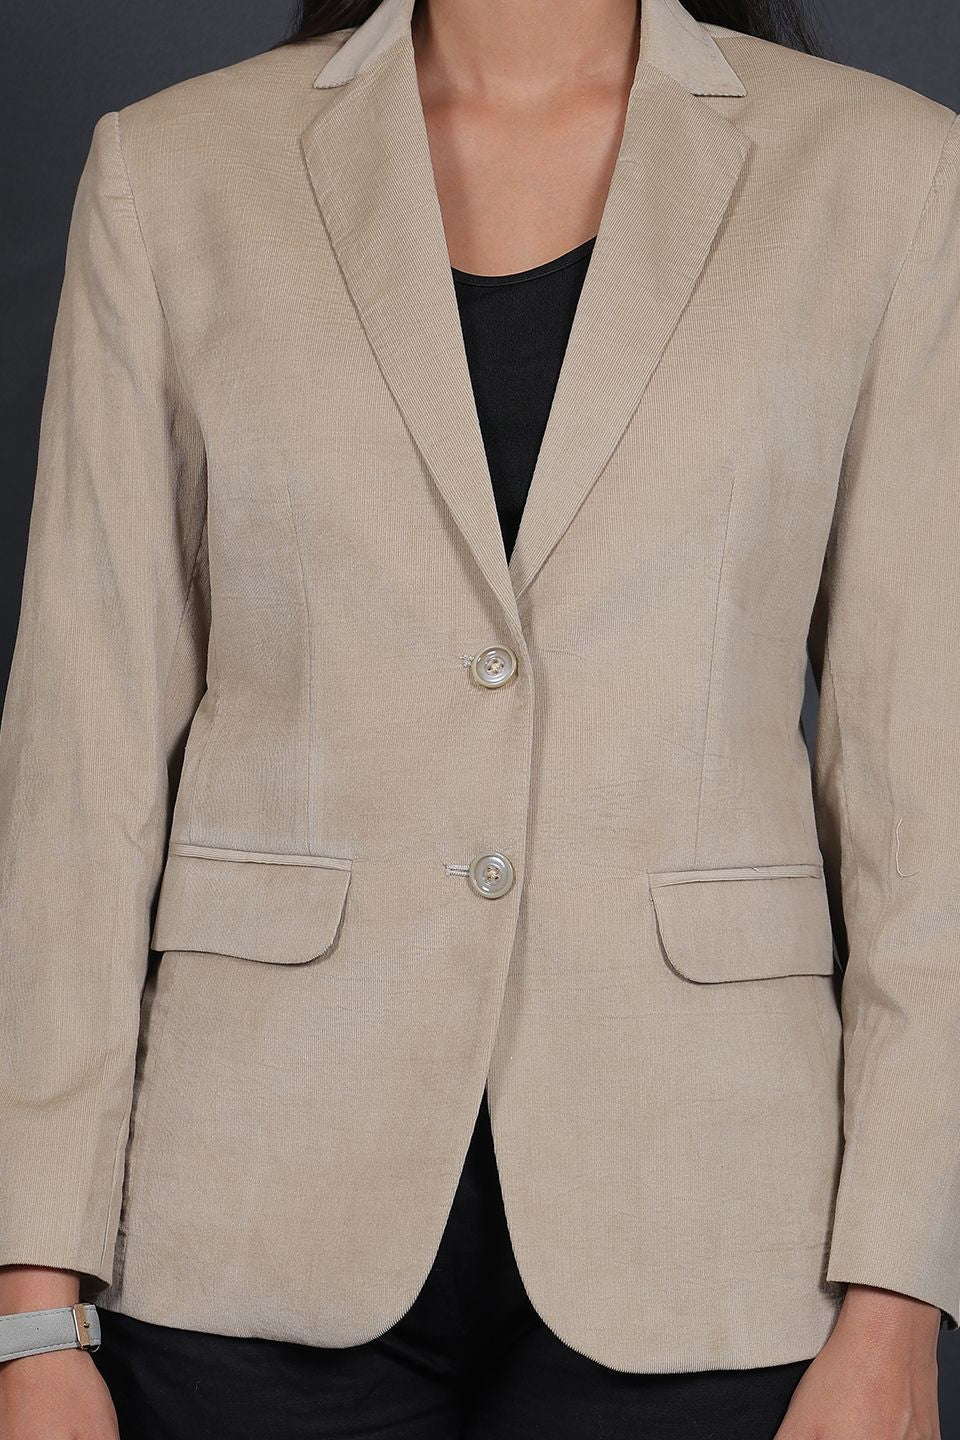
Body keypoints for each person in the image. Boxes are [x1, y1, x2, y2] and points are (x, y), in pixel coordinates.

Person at [0, 0, 957, 1434]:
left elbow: (925, 799)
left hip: (716, 1219)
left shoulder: (882, 173)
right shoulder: (176, 170)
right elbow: (79, 767)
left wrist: (898, 1303)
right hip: (242, 1215)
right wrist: (32, 1311)